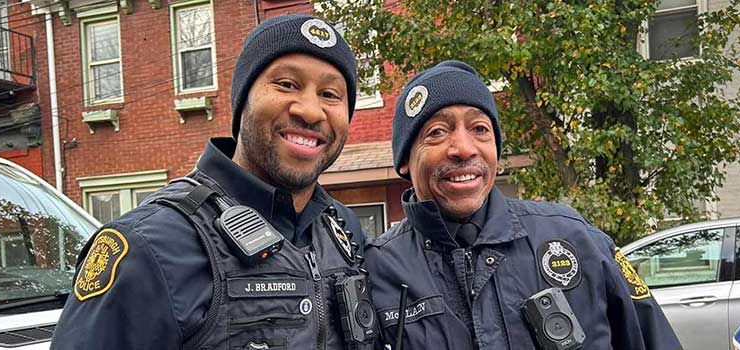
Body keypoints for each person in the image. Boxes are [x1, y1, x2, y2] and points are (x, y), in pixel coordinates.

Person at [51, 14, 372, 350]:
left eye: (331, 94)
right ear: (243, 100)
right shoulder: (148, 246)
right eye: (286, 84)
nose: (310, 111)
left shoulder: (343, 231)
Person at [364, 60, 681, 350]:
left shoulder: (576, 238)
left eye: (480, 129)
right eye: (437, 132)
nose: (463, 148)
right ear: (405, 159)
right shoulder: (377, 270)